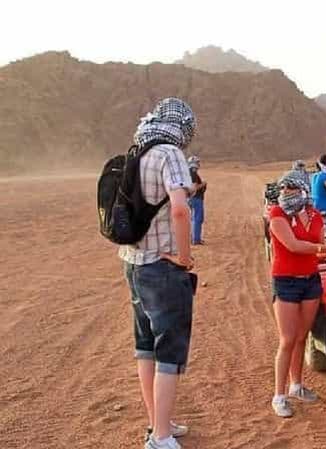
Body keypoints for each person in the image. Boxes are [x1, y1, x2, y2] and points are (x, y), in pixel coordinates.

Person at [119, 97, 197, 449]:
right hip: (162, 267)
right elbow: (180, 210)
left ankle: (157, 424)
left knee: (145, 345)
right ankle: (161, 438)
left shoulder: (137, 149)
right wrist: (184, 256)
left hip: (133, 262)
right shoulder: (170, 153)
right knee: (169, 350)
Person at [268, 170, 326, 418]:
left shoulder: (315, 215)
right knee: (287, 339)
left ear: (302, 191)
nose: (285, 194)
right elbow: (293, 245)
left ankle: (296, 385)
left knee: (302, 336)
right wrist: (325, 247)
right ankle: (279, 395)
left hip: (310, 281)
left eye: (290, 189)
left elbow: (317, 252)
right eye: (283, 190)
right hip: (286, 282)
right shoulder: (277, 214)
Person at [187, 156, 207, 245]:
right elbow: (194, 188)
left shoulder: (188, 172)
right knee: (197, 218)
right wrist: (203, 184)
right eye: (198, 162)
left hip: (191, 198)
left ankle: (193, 238)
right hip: (196, 198)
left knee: (193, 218)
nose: (199, 164)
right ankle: (196, 239)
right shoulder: (193, 172)